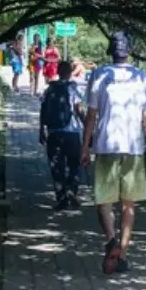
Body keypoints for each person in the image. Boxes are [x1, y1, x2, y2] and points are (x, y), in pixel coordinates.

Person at [80, 31, 146, 275]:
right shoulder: (141, 77)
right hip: (134, 148)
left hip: (106, 146)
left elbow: (91, 116)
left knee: (104, 201)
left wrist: (85, 147)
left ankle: (111, 240)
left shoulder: (99, 75)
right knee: (129, 205)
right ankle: (123, 256)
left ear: (111, 51)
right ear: (129, 51)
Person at [39, 61, 86, 210]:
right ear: (69, 72)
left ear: (58, 72)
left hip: (53, 133)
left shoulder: (49, 88)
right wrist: (88, 128)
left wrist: (41, 130)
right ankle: (72, 190)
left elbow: (43, 109)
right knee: (74, 163)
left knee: (56, 167)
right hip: (71, 133)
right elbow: (79, 110)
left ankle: (61, 198)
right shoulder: (73, 89)